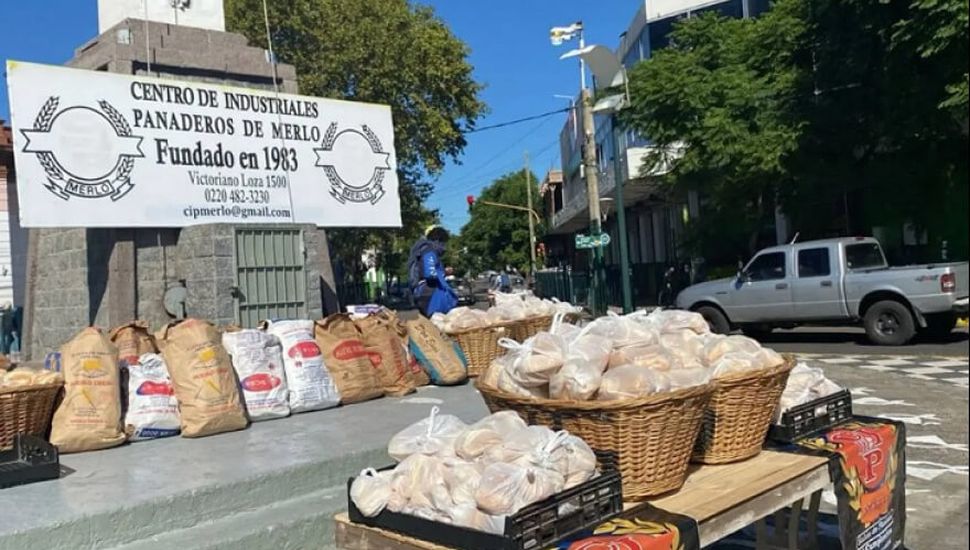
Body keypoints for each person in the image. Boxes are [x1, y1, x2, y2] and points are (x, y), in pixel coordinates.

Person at [407, 225, 458, 317]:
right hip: (430, 292)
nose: (444, 246)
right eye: (444, 242)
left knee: (430, 326)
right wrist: (443, 273)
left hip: (422, 292)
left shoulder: (421, 249)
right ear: (438, 239)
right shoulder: (429, 250)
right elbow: (430, 273)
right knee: (438, 324)